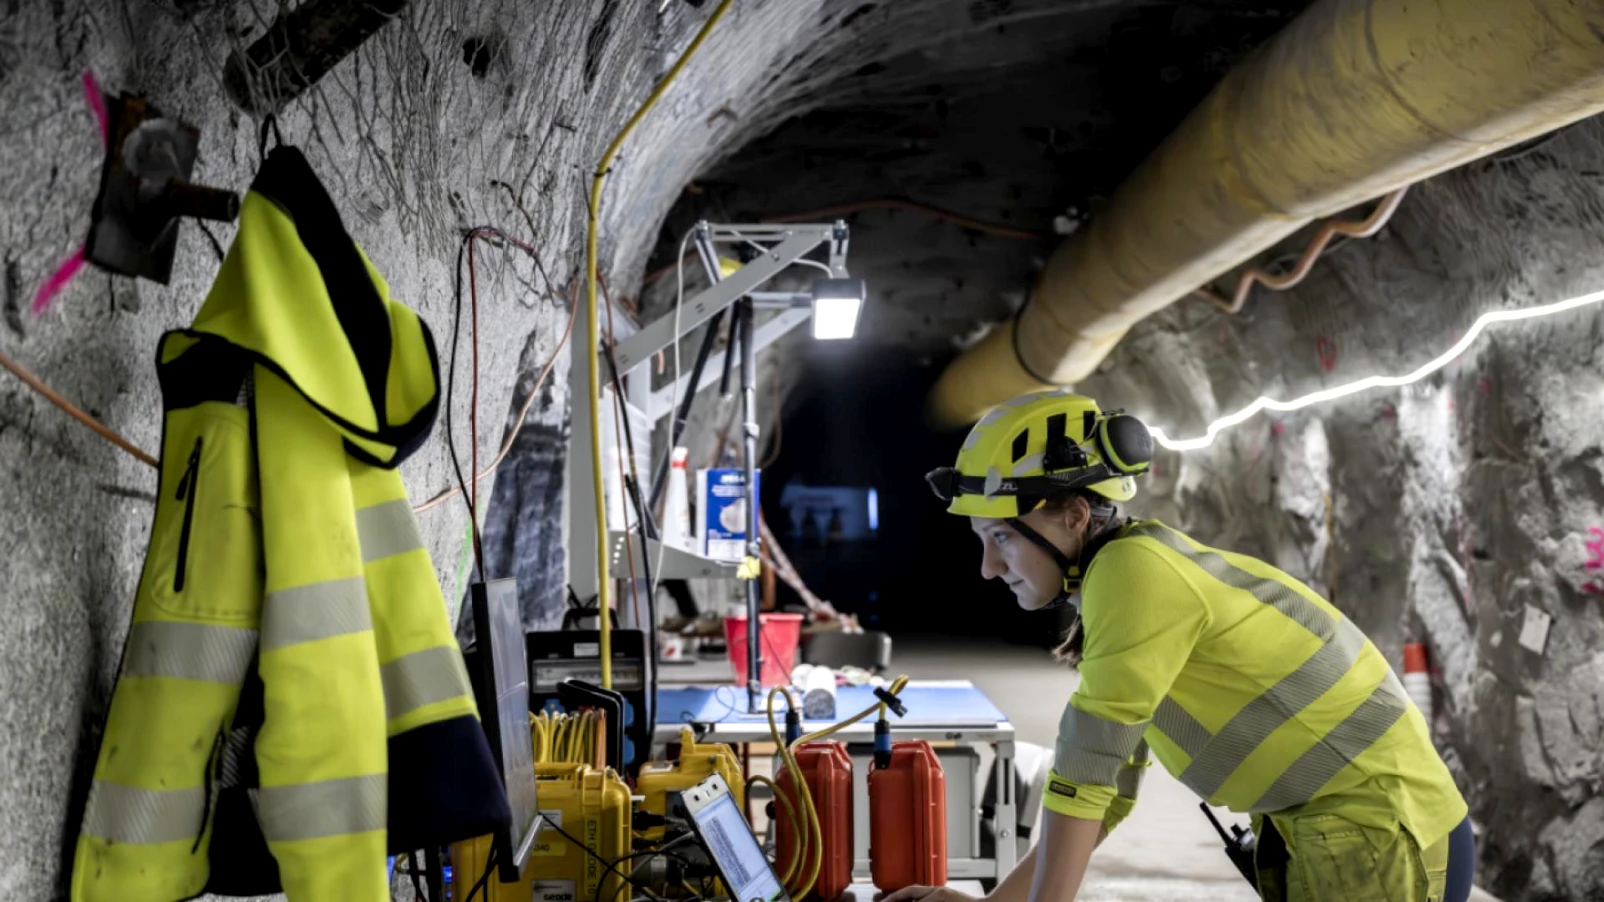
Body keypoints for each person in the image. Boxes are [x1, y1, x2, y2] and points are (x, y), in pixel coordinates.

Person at [895, 389, 1475, 902]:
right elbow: (1106, 792)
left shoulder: (1132, 574)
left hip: (1382, 828)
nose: (989, 567)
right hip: (1367, 829)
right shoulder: (1130, 572)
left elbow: (1086, 773)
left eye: (1001, 537)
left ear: (1074, 516)